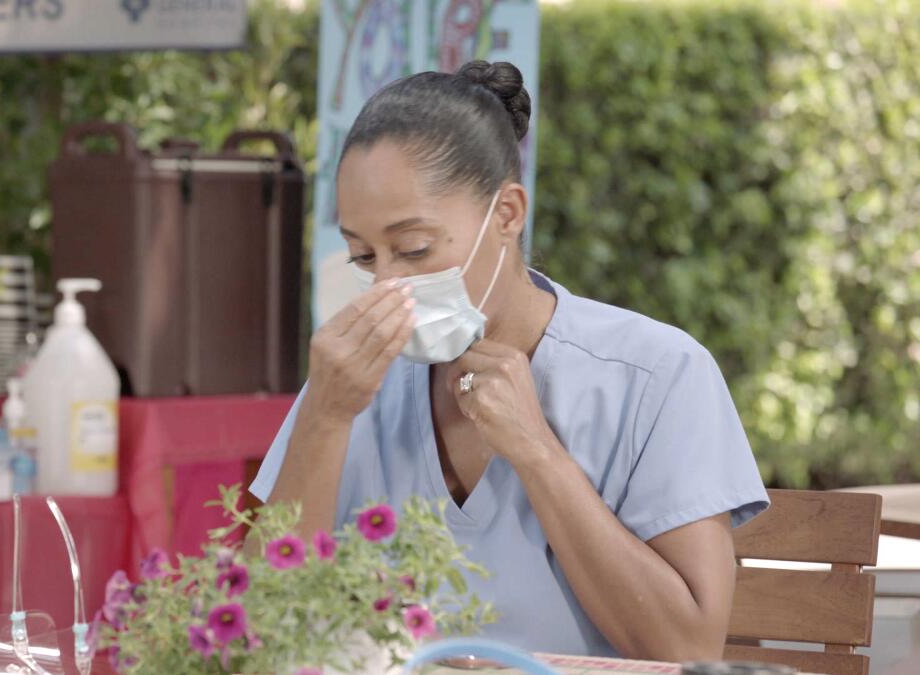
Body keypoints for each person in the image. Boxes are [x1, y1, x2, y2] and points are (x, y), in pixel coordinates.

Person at [248, 60, 768, 661]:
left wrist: (537, 451)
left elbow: (688, 647)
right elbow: (261, 636)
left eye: (414, 249)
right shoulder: (352, 380)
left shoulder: (658, 375)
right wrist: (325, 419)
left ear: (507, 214)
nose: (387, 285)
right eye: (365, 257)